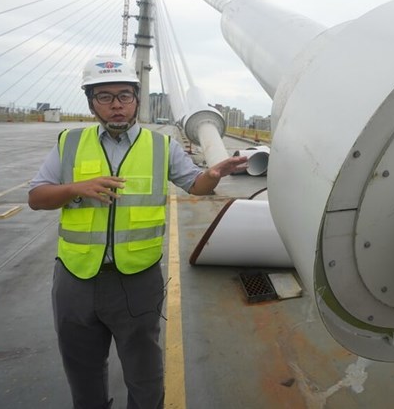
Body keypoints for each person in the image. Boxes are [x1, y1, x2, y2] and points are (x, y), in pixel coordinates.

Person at [28, 54, 248, 409]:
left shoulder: (162, 146)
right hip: (74, 278)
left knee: (144, 375)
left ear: (136, 99)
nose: (116, 105)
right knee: (82, 372)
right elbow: (36, 197)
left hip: (136, 280)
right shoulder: (68, 142)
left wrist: (212, 174)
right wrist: (75, 188)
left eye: (124, 96)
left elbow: (196, 186)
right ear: (91, 102)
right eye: (105, 96)